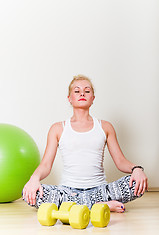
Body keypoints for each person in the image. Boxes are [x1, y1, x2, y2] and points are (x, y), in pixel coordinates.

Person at [22, 75, 148, 213]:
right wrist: (34, 179)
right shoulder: (57, 128)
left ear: (93, 98)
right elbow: (46, 165)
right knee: (29, 192)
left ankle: (76, 207)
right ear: (69, 98)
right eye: (77, 91)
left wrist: (137, 169)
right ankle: (99, 206)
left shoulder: (105, 127)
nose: (82, 93)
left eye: (87, 91)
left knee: (137, 183)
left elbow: (120, 161)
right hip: (67, 192)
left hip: (100, 190)